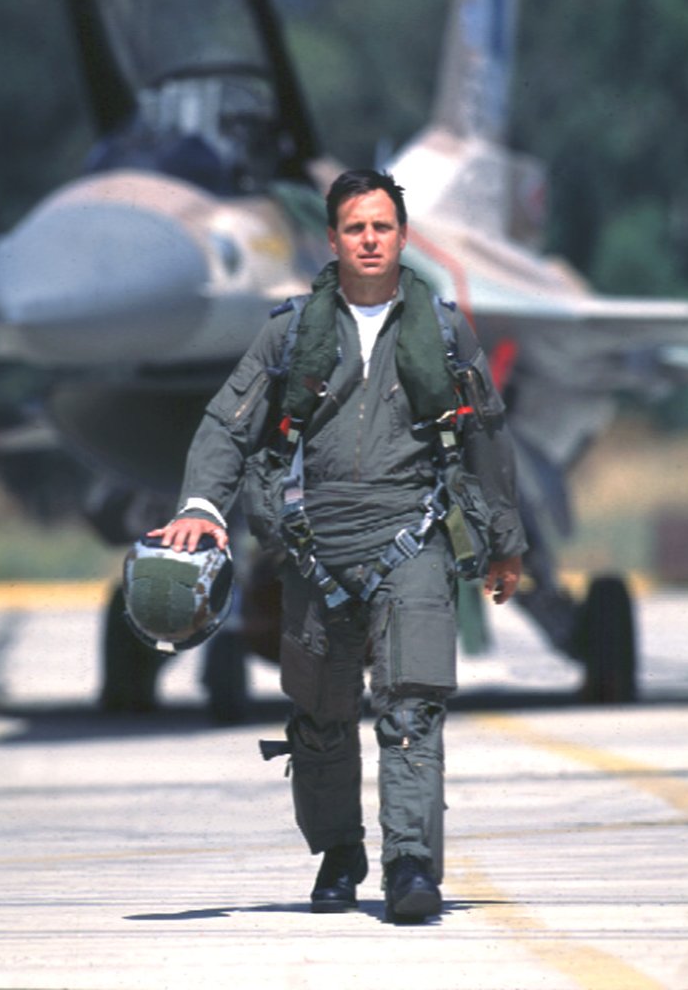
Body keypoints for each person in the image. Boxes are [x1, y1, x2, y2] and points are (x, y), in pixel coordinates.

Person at [152, 168, 526, 922]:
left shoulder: (444, 332)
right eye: (356, 228)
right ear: (332, 239)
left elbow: (485, 436)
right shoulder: (290, 334)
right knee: (320, 717)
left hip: (412, 535)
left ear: (403, 237)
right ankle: (339, 852)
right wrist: (200, 506)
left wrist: (504, 543)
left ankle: (411, 864)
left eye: (382, 227)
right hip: (316, 545)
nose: (369, 240)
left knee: (412, 707)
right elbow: (228, 424)